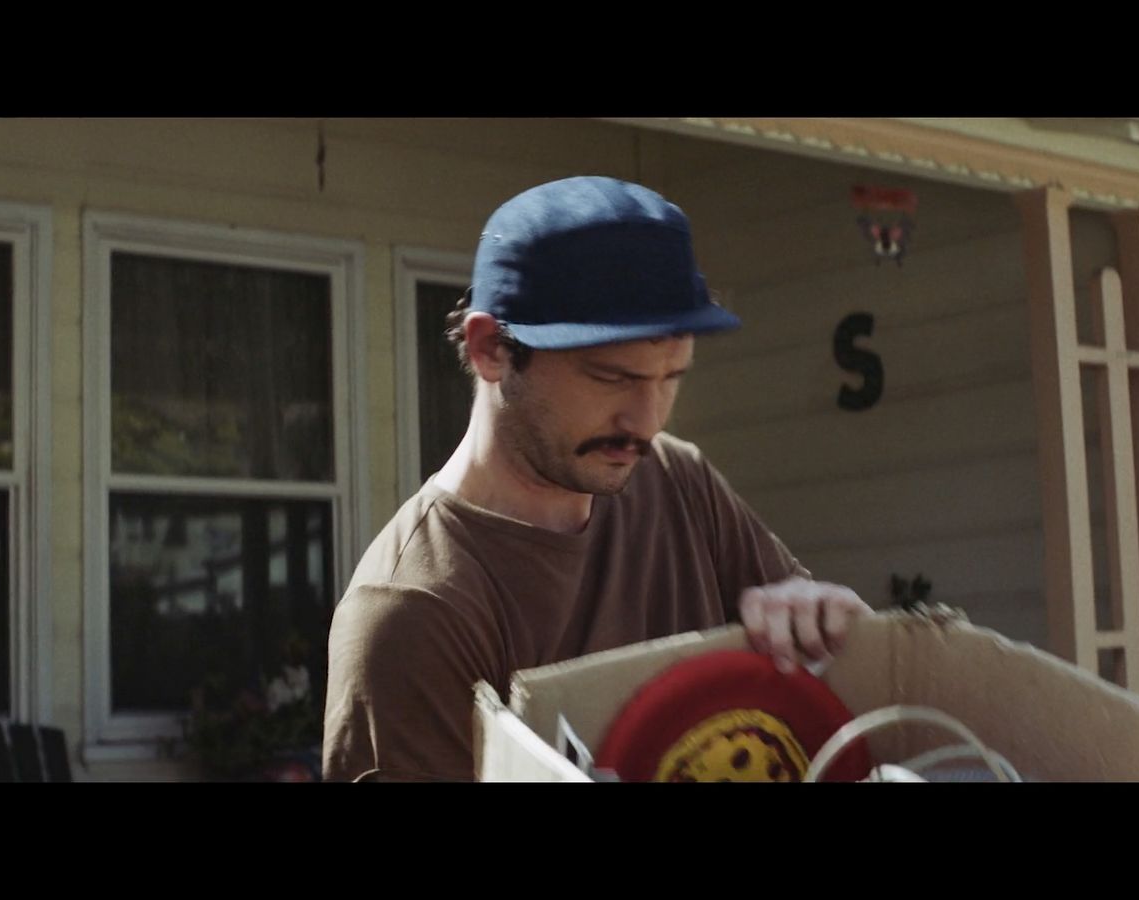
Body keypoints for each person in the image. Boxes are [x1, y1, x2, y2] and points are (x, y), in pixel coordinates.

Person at [322, 175, 872, 782]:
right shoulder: (413, 612)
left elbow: (831, 711)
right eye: (613, 378)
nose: (645, 421)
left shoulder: (675, 477)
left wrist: (817, 619)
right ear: (490, 350)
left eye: (671, 377)